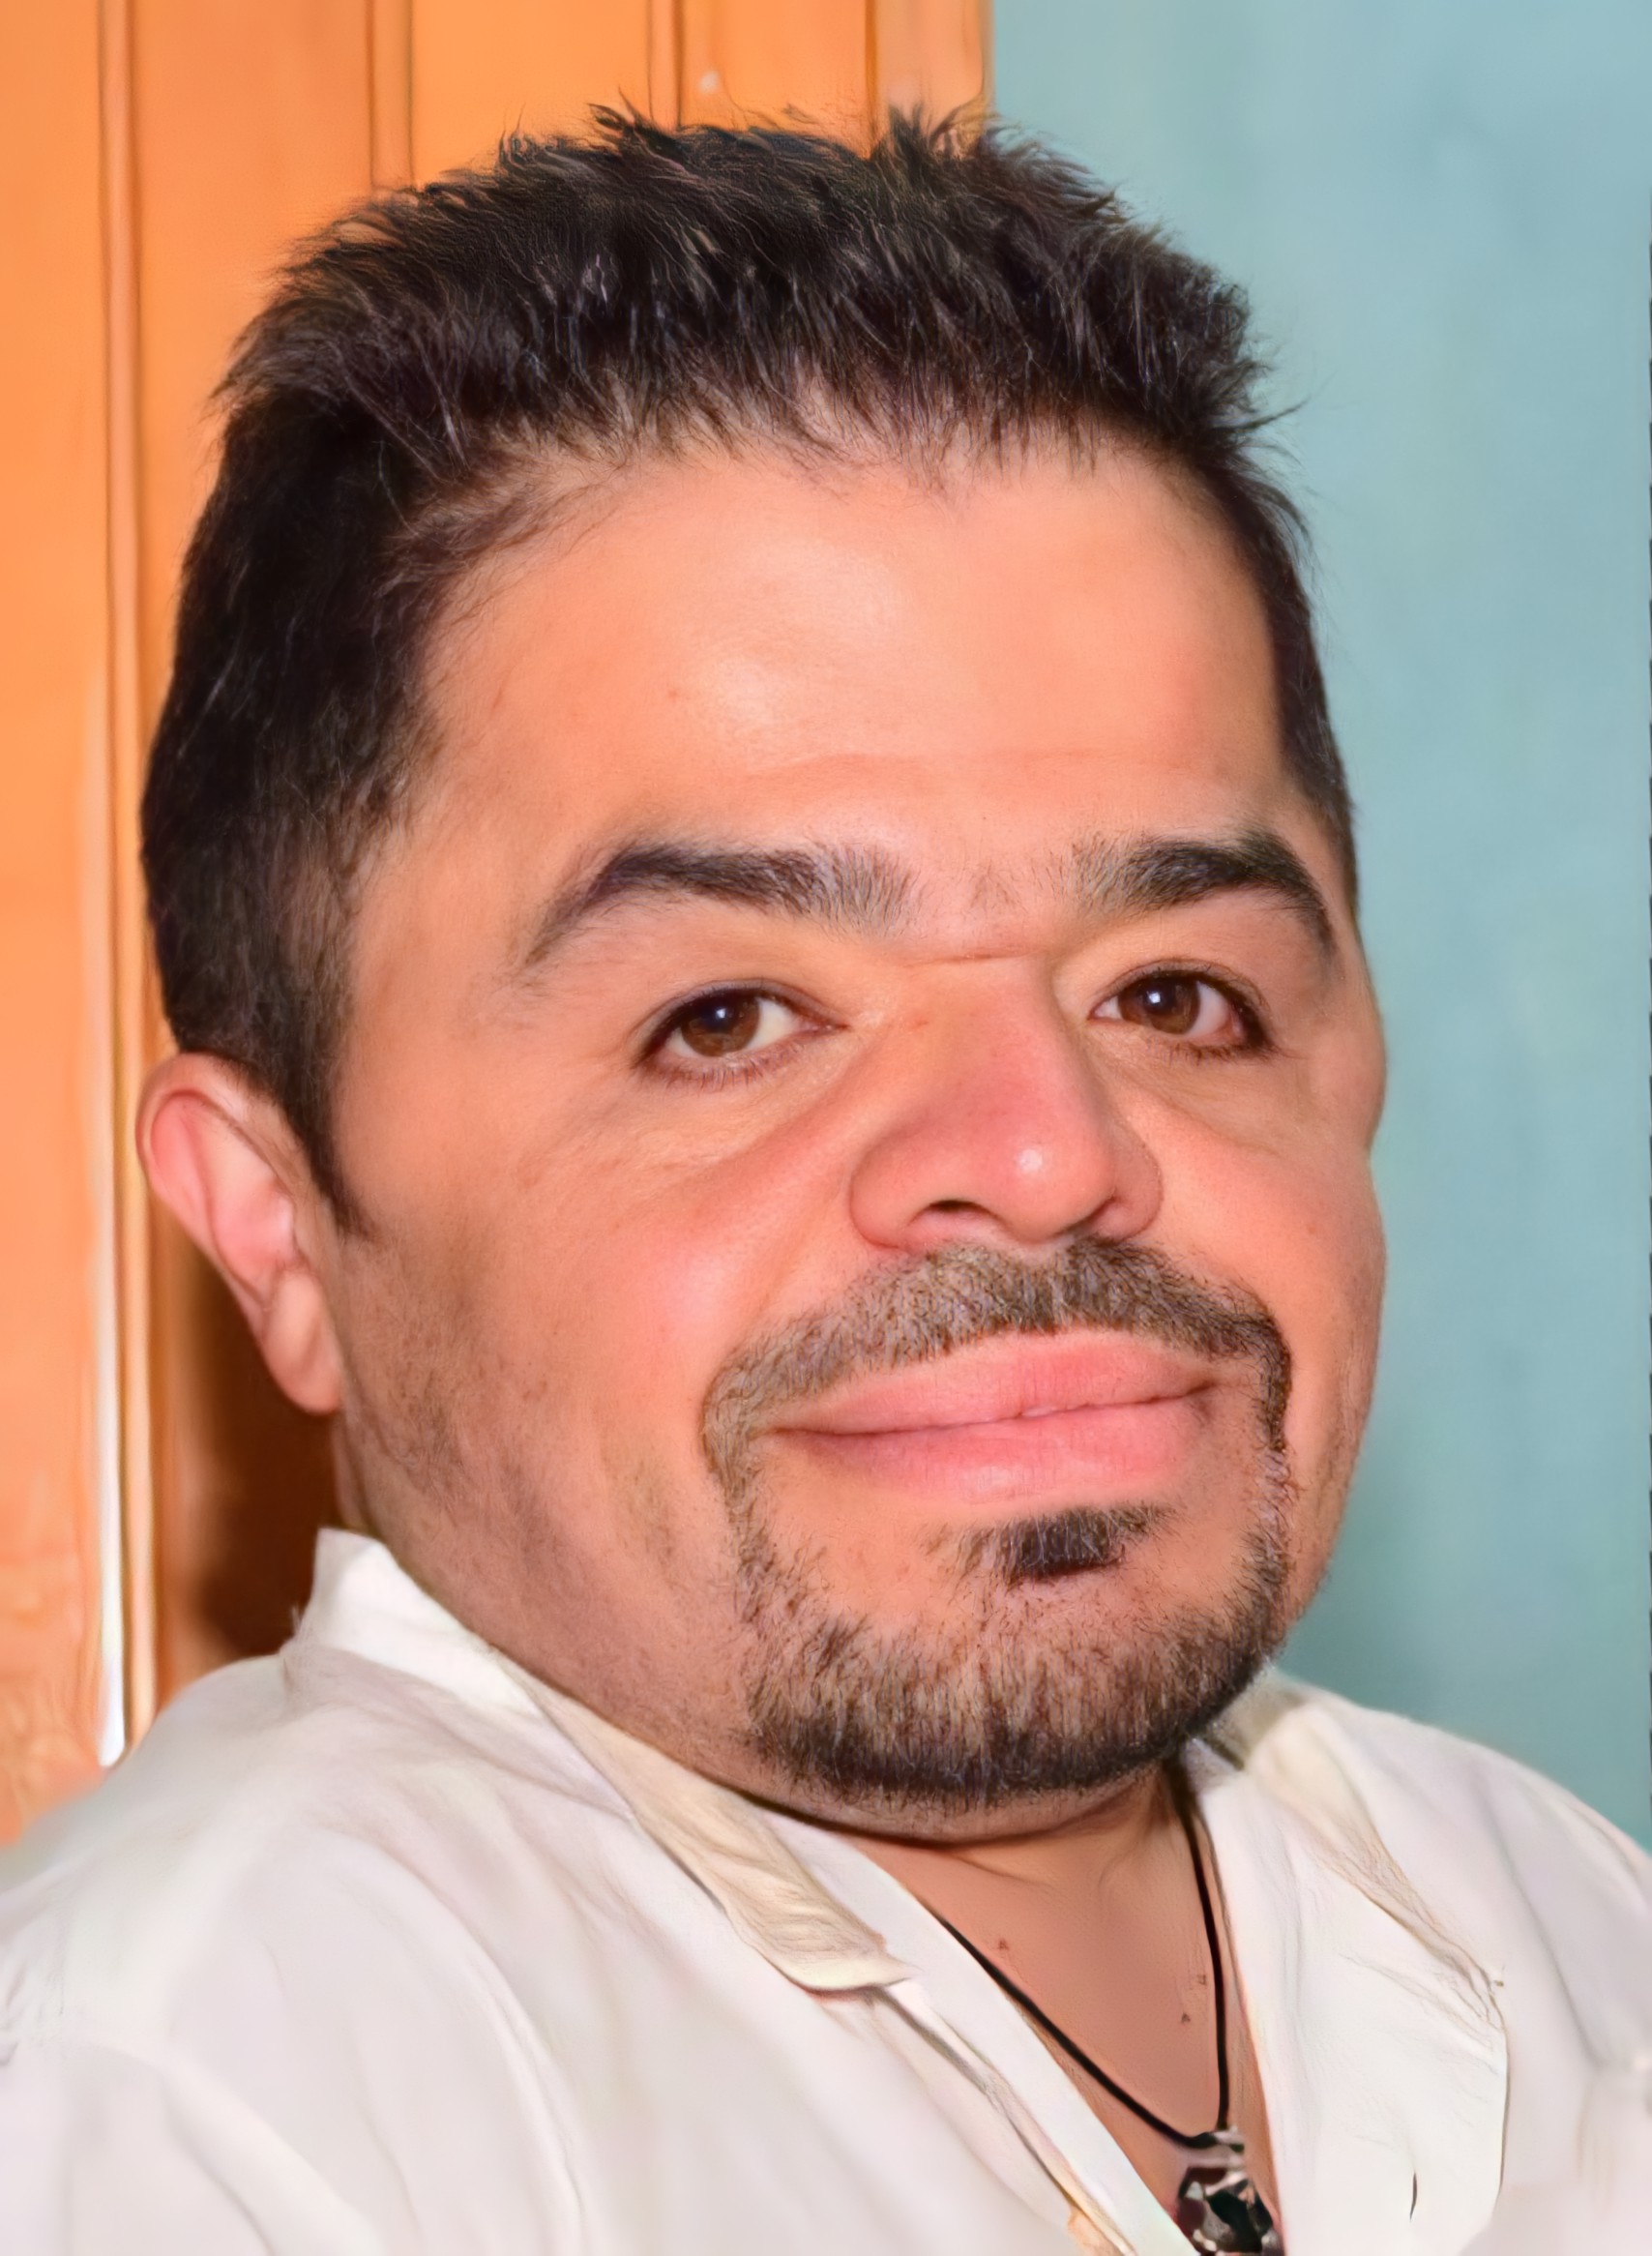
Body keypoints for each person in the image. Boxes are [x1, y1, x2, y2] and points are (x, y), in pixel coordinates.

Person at [0, 114, 1646, 2256]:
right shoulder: (209, 2106)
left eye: (1174, 992)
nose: (1046, 1151)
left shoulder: (1563, 1928)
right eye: (730, 1019)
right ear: (278, 1222)